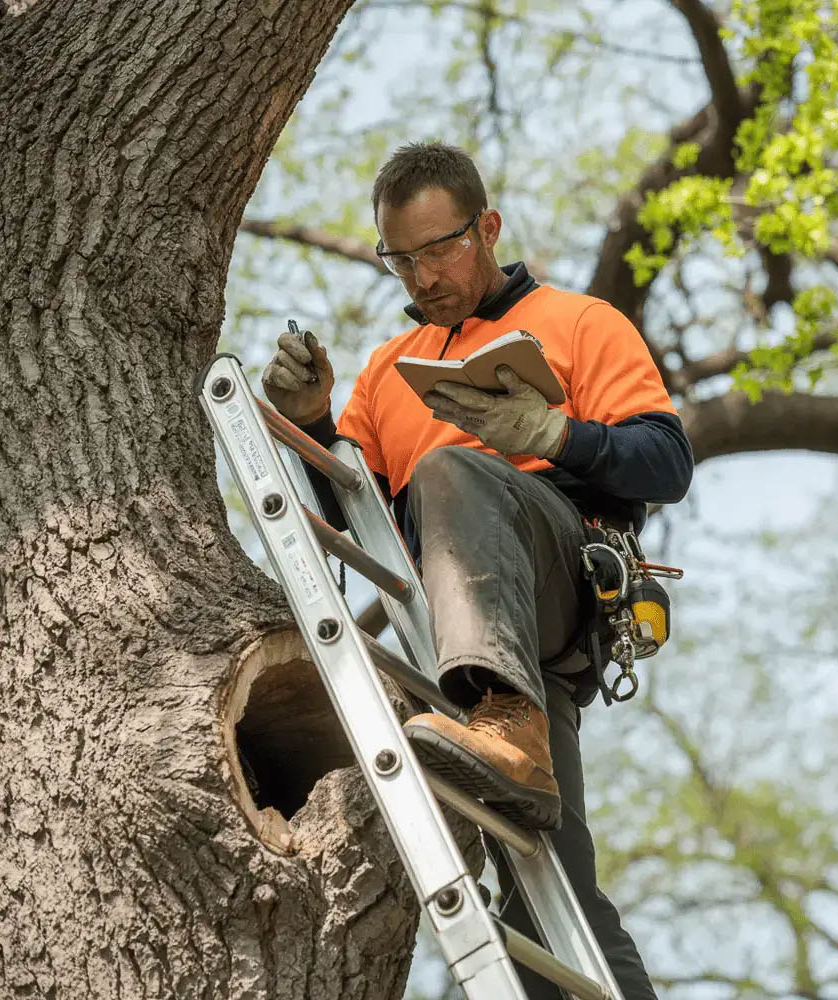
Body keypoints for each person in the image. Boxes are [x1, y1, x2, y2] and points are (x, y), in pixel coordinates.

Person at [262, 142, 693, 998]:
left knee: (448, 470)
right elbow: (361, 523)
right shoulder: (388, 370)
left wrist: (552, 436)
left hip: (555, 591)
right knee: (553, 908)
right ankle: (506, 726)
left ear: (487, 227)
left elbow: (665, 462)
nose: (423, 276)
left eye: (442, 247)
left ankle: (509, 719)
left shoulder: (580, 323)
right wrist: (313, 428)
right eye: (402, 258)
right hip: (453, 635)